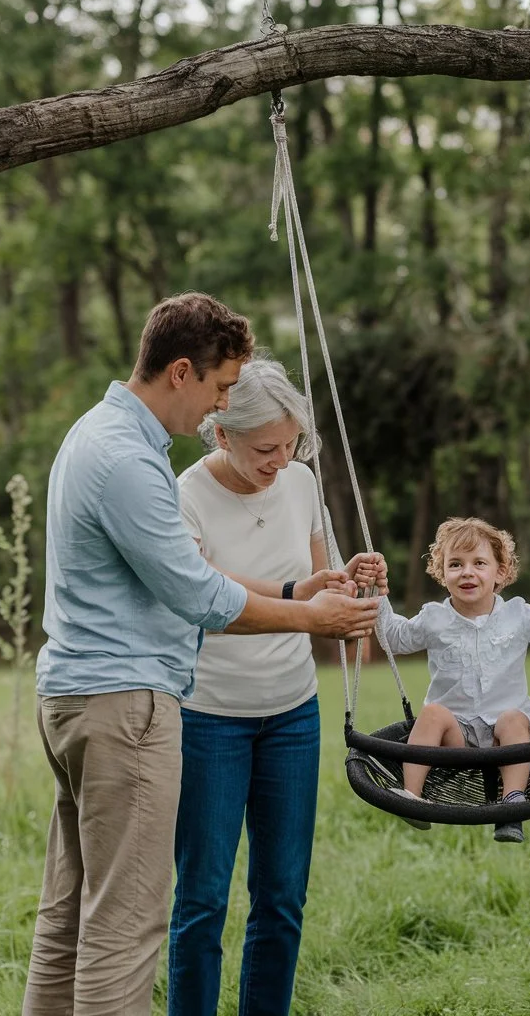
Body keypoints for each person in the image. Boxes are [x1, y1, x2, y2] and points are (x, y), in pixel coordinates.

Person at [23, 293, 379, 1016]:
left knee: (68, 922)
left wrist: (295, 590)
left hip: (77, 695)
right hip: (125, 707)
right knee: (126, 930)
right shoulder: (129, 460)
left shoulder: (94, 435)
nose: (217, 407)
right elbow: (199, 595)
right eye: (219, 389)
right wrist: (306, 612)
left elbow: (187, 582)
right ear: (181, 373)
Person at [168, 354, 385, 1016]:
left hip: (292, 713)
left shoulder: (300, 484)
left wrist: (352, 590)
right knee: (203, 897)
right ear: (221, 433)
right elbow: (209, 604)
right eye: (266, 448)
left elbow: (320, 591)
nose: (280, 460)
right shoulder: (184, 496)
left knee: (283, 893)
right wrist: (306, 602)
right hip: (208, 715)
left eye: (291, 444)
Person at [379, 516, 530, 844]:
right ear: (442, 572)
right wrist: (377, 594)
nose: (467, 572)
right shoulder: (434, 618)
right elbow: (395, 638)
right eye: (455, 564)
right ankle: (411, 797)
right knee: (432, 713)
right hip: (455, 736)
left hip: (506, 738)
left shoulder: (518, 614)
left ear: (500, 572)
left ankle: (512, 805)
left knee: (514, 718)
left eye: (479, 563)